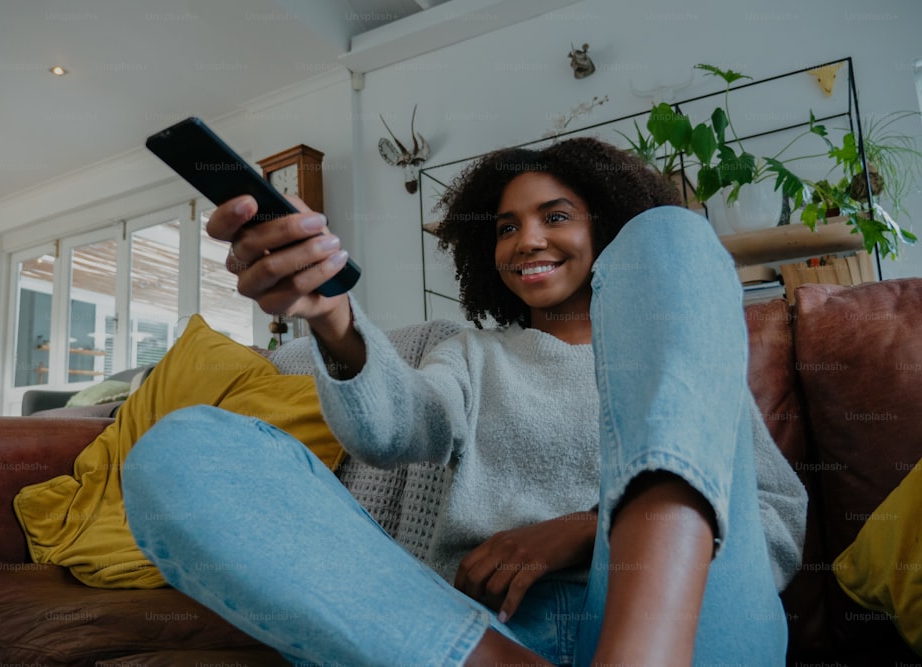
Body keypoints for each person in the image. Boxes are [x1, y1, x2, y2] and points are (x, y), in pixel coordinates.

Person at [122, 136, 807, 666]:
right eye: (506, 227)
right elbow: (394, 428)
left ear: (606, 226)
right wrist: (332, 315)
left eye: (556, 216)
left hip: (690, 633)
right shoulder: (473, 353)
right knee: (178, 450)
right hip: (481, 636)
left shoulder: (686, 350)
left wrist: (587, 528)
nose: (528, 240)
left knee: (676, 234)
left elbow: (773, 522)